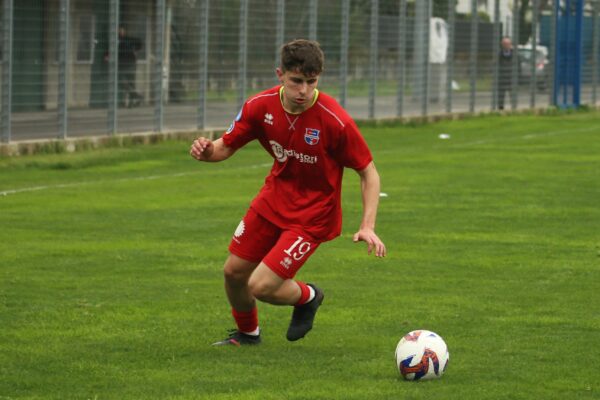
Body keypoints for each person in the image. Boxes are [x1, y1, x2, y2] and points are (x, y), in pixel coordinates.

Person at [190, 39, 386, 346]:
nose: (303, 91)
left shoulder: (335, 120)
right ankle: (248, 334)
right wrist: (206, 151)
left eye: (311, 82)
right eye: (296, 81)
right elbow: (224, 147)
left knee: (261, 286)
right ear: (280, 74)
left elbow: (368, 173)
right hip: (273, 200)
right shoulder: (259, 106)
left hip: (313, 216)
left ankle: (308, 297)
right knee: (233, 273)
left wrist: (367, 226)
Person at [117, 26, 142, 107]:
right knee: (121, 82)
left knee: (131, 82)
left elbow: (140, 43)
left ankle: (132, 102)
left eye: (122, 30)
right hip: (121, 64)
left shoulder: (128, 39)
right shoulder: (117, 40)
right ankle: (137, 96)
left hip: (130, 63)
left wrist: (136, 50)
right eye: (119, 30)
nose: (120, 32)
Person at [497, 36, 514, 110]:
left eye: (507, 44)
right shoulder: (499, 54)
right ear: (502, 44)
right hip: (502, 78)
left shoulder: (515, 55)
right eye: (504, 44)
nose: (506, 45)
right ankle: (500, 108)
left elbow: (518, 66)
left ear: (510, 44)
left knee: (513, 95)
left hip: (512, 78)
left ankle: (514, 108)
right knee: (501, 95)